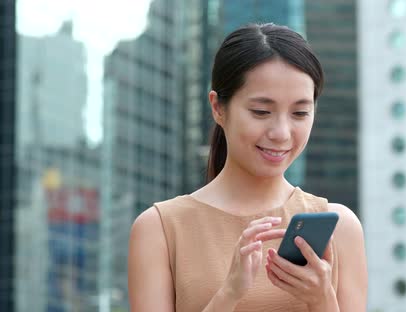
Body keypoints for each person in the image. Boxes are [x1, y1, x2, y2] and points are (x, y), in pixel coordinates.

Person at [128, 23, 367, 312]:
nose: (281, 132)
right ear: (218, 108)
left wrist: (321, 300)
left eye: (300, 113)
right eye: (261, 112)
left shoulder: (340, 227)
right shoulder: (160, 229)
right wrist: (229, 293)